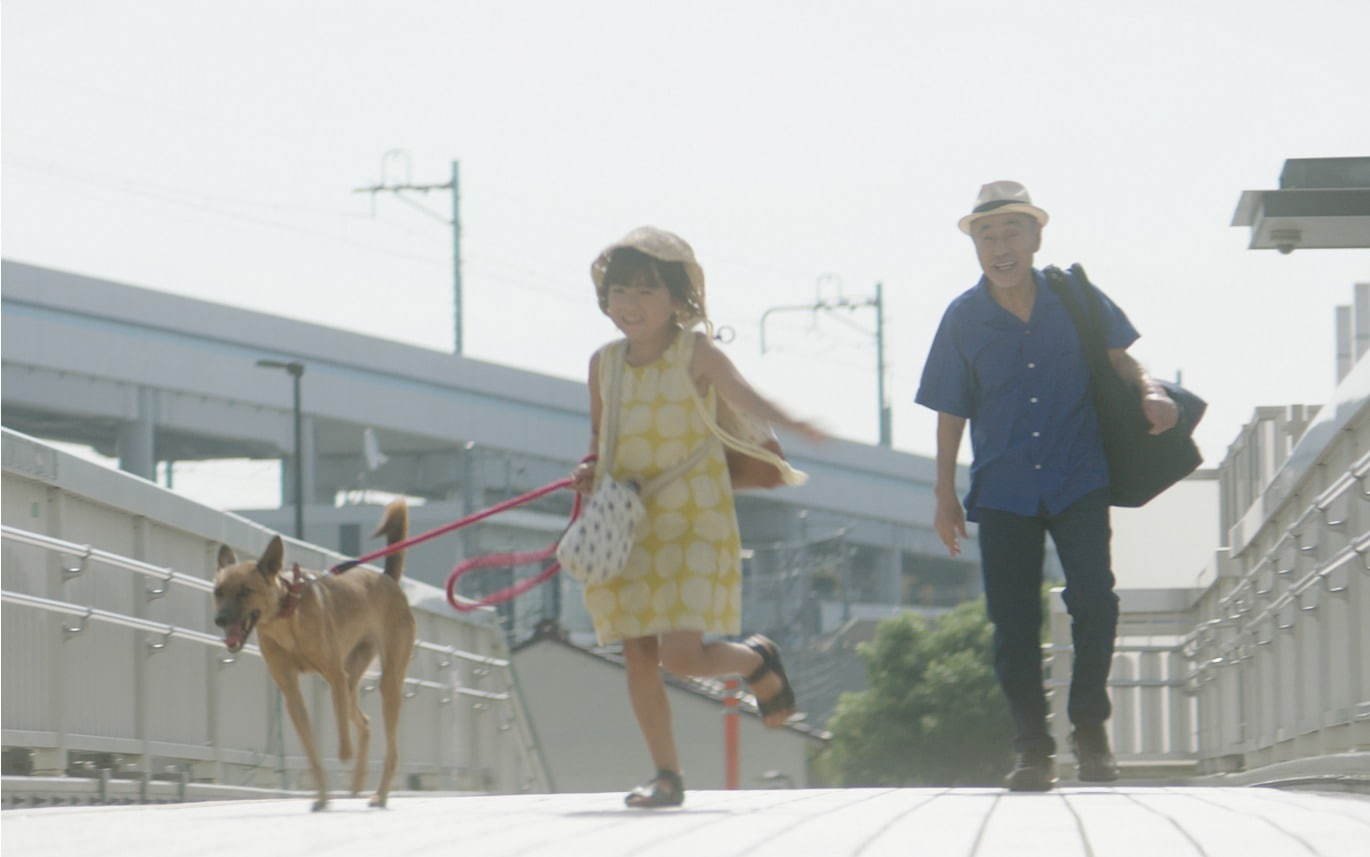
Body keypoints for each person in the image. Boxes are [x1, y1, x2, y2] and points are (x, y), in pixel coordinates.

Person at [915, 181, 1178, 791]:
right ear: (974, 246)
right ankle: (1033, 748)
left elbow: (1121, 360)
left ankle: (1090, 730)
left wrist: (1151, 389)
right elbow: (950, 409)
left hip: (1078, 474)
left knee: (1095, 600)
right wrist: (943, 494)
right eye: (987, 236)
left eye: (1011, 233)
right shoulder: (962, 317)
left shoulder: (1074, 298)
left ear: (1036, 237)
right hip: (1003, 489)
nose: (999, 247)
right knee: (1011, 622)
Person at [571, 226, 825, 807]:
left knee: (680, 657)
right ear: (605, 299)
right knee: (637, 654)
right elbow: (598, 435)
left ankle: (757, 660)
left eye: (647, 291)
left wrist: (797, 423)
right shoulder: (603, 364)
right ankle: (667, 776)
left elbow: (746, 399)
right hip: (626, 520)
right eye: (620, 292)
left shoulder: (697, 352)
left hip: (692, 515)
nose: (631, 305)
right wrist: (589, 467)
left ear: (677, 298)